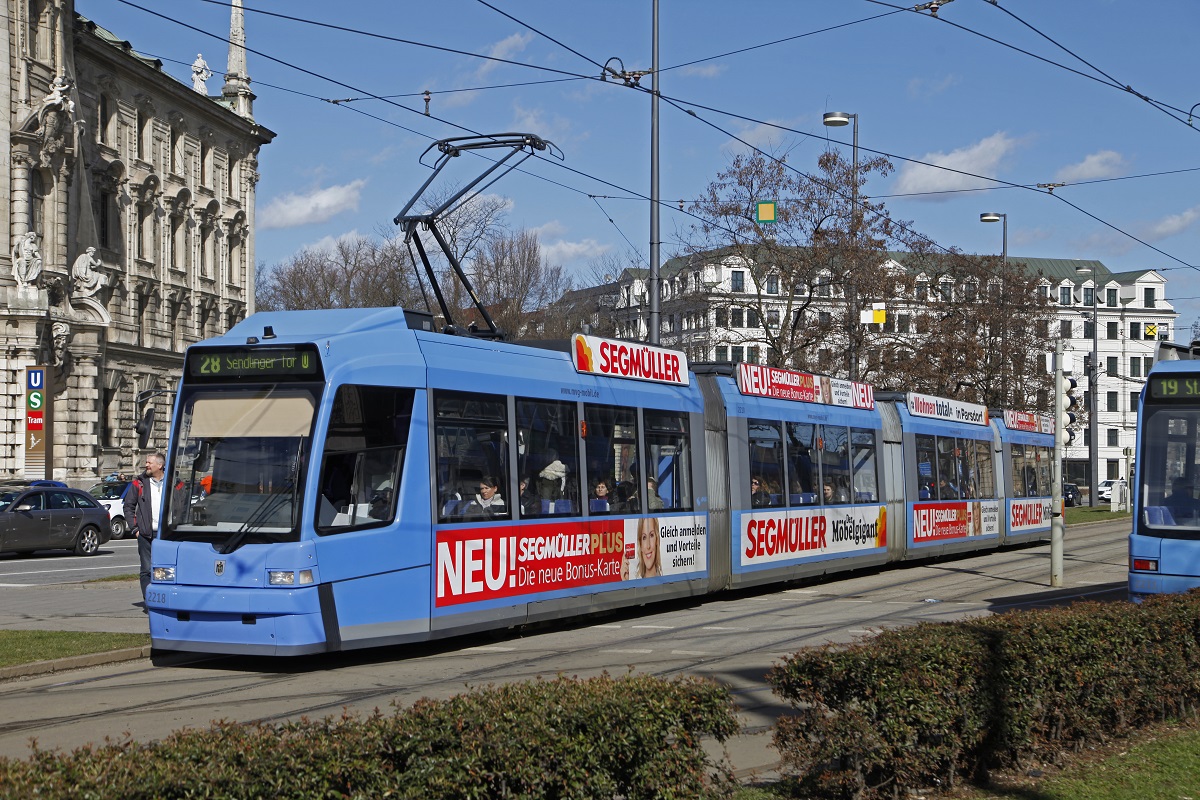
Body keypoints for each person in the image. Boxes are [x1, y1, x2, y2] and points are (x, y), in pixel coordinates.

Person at [124, 453, 168, 605]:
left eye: (149, 462)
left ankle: (163, 600)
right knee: (147, 569)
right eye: (146, 462)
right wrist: (135, 529)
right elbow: (128, 507)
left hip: (166, 535)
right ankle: (149, 602)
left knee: (166, 570)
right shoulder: (139, 483)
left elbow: (181, 507)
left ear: (160, 465)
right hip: (145, 534)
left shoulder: (173, 483)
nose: (146, 465)